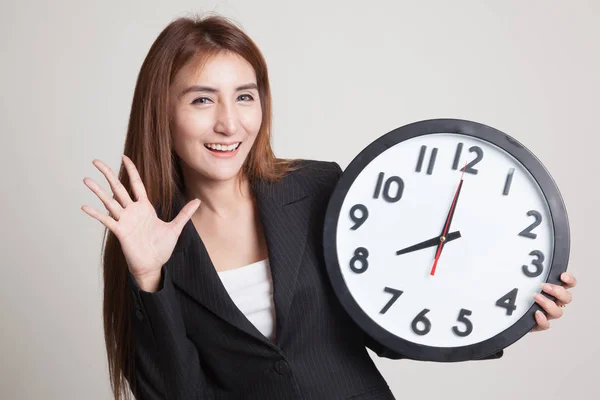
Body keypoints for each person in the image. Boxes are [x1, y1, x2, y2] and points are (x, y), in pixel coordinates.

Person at [81, 14, 577, 400]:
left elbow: (386, 323)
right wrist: (149, 278)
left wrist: (507, 311)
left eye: (245, 97)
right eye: (202, 101)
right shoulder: (142, 236)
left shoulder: (318, 188)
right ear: (162, 112)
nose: (230, 124)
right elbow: (174, 393)